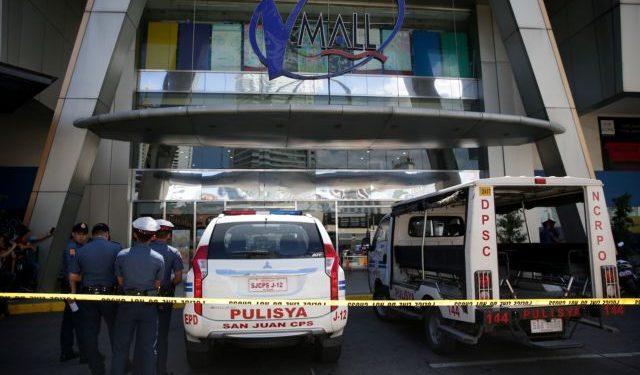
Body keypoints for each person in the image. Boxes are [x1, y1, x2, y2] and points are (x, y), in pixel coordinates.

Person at [112, 217, 164, 375]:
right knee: (148, 348)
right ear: (153, 236)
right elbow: (157, 285)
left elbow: (120, 281)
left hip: (127, 303)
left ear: (135, 234)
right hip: (148, 305)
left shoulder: (122, 255)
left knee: (121, 347)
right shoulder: (158, 258)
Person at [69, 223, 122, 375]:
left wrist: (73, 293)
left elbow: (72, 276)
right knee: (115, 331)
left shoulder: (81, 250)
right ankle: (120, 365)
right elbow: (121, 276)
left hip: (87, 296)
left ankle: (97, 369)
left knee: (90, 333)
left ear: (92, 235)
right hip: (109, 295)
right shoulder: (116, 248)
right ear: (107, 234)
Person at [149, 219, 183, 375]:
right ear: (169, 235)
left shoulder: (146, 248)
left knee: (145, 334)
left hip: (145, 296)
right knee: (161, 335)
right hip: (165, 295)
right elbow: (178, 277)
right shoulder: (173, 252)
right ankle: (161, 371)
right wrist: (170, 285)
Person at [60, 222, 89, 363]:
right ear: (73, 234)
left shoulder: (80, 247)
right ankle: (83, 354)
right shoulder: (72, 248)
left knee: (69, 320)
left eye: (83, 234)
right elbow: (72, 273)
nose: (81, 236)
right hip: (72, 288)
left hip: (73, 288)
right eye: (78, 234)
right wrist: (72, 293)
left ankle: (67, 351)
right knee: (78, 320)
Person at [0, 235, 17, 319]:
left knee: (3, 292)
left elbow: (13, 258)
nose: (1, 242)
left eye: (2, 240)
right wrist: (12, 247)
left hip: (3, 273)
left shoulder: (6, 249)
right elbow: (2, 256)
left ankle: (3, 312)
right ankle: (4, 311)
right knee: (3, 293)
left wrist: (12, 248)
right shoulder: (3, 251)